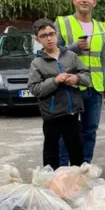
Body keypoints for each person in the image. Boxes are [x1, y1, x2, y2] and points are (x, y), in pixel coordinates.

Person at [54, 0, 105, 166]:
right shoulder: (62, 23)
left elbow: (103, 59)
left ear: (94, 2)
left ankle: (83, 169)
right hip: (71, 86)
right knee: (67, 132)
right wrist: (74, 48)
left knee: (90, 131)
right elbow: (54, 52)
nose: (84, 0)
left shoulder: (101, 28)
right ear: (74, 0)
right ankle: (63, 172)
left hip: (94, 87)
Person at [28, 18, 91, 170]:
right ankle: (52, 184)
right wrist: (55, 81)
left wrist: (76, 78)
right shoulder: (37, 63)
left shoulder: (70, 56)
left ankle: (78, 182)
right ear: (37, 39)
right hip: (51, 115)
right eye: (43, 35)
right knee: (51, 153)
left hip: (72, 112)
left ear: (56, 34)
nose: (49, 38)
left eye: (51, 34)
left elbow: (87, 77)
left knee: (76, 150)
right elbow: (34, 88)